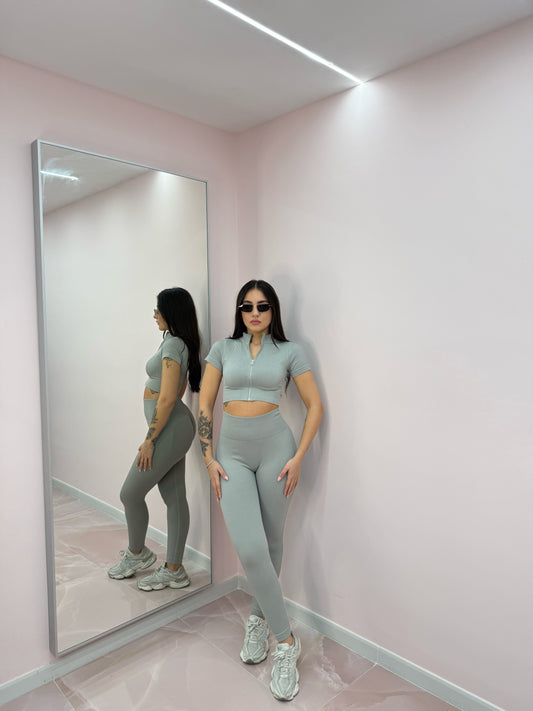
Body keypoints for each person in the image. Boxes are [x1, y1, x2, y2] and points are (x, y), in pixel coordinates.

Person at [198, 279, 323, 701]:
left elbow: (315, 406)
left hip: (277, 451)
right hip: (230, 455)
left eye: (263, 306)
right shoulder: (222, 349)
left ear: (273, 311)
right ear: (239, 311)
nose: (255, 313)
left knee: (270, 542)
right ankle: (287, 640)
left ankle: (258, 619)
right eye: (247, 306)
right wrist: (209, 458)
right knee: (250, 548)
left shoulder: (289, 352)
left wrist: (298, 457)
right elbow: (205, 404)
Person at [108, 287, 201, 591]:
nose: (154, 315)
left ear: (171, 312)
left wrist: (150, 439)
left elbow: (168, 397)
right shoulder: (176, 341)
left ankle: (138, 554)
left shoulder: (173, 344)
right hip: (174, 427)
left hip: (170, 428)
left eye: (158, 310)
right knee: (174, 498)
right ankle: (174, 569)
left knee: (130, 493)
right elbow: (177, 390)